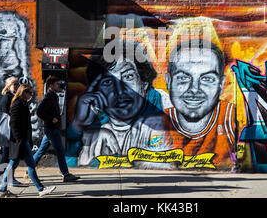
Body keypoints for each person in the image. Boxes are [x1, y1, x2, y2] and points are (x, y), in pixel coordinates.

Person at [68, 40, 169, 167]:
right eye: (108, 82)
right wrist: (79, 125)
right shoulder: (95, 118)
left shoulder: (165, 113)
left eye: (128, 77)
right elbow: (68, 163)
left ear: (144, 83)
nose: (119, 91)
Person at [164, 40, 236, 169]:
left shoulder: (232, 118)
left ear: (221, 84)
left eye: (207, 79)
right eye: (183, 78)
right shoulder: (155, 124)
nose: (194, 89)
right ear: (168, 82)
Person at [0, 84, 56, 197]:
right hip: (20, 141)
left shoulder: (22, 103)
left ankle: (2, 190)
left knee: (12, 165)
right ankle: (41, 189)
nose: (31, 95)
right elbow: (13, 123)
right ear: (23, 92)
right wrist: (20, 139)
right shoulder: (17, 104)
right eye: (29, 92)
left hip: (22, 140)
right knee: (30, 165)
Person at [33, 76, 79, 182]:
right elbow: (39, 112)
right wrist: (51, 119)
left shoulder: (54, 96)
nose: (59, 85)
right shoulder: (48, 97)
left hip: (52, 129)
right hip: (51, 129)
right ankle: (66, 174)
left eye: (59, 84)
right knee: (60, 151)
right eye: (57, 84)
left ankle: (29, 168)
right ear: (50, 86)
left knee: (41, 151)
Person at [0, 76, 22, 186]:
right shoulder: (7, 97)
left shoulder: (13, 97)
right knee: (7, 155)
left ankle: (2, 176)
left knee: (9, 155)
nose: (16, 86)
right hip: (6, 131)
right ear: (8, 86)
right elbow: (6, 114)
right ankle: (2, 177)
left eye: (17, 84)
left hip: (10, 130)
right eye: (14, 84)